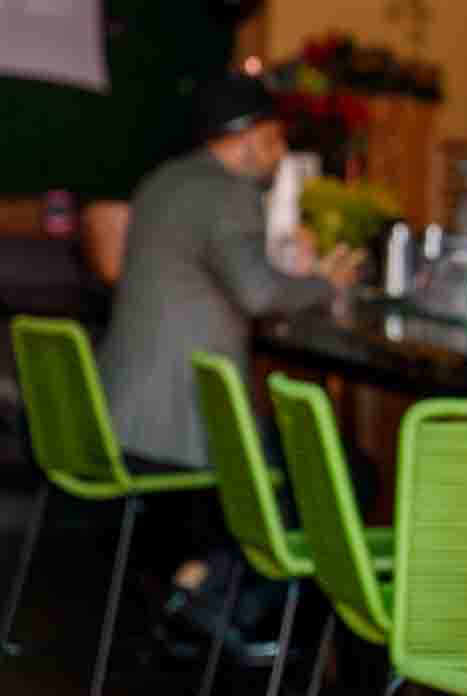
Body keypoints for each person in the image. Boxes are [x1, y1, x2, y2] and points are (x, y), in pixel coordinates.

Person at [98, 71, 360, 472]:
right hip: (177, 435)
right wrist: (326, 284)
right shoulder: (228, 192)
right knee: (347, 469)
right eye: (273, 140)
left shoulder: (163, 179)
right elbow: (259, 294)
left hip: (117, 419)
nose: (281, 154)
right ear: (246, 141)